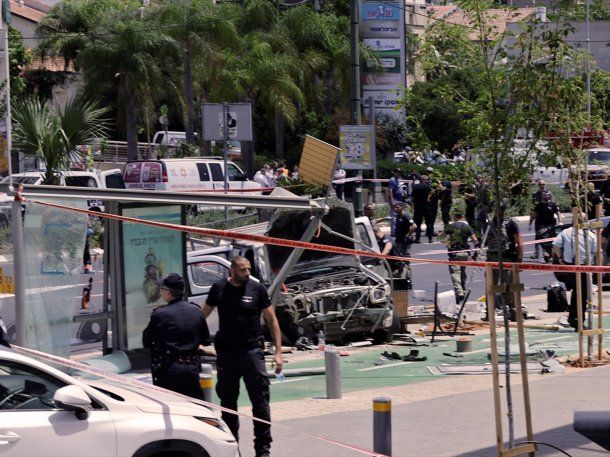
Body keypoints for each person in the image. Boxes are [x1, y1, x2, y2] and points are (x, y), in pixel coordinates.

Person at [203, 257, 283, 457]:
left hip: (252, 352)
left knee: (261, 404)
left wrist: (279, 353)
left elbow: (272, 320)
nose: (247, 272)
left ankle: (263, 451)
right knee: (228, 404)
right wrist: (194, 337)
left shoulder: (257, 289)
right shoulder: (219, 288)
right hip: (227, 354)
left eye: (248, 269)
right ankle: (232, 449)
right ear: (231, 270)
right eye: (242, 269)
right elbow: (203, 314)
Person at [142, 273, 210, 399]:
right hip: (192, 369)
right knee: (196, 408)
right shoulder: (196, 311)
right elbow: (205, 340)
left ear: (168, 293)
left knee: (173, 409)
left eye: (162, 289)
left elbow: (146, 340)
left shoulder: (160, 314)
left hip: (169, 371)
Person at [552, 221, 597, 329]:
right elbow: (597, 253)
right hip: (584, 266)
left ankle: (574, 318)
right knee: (582, 294)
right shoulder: (590, 235)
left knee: (577, 292)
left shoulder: (565, 232)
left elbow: (556, 245)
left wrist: (560, 259)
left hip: (570, 265)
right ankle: (576, 320)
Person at [484, 212, 523, 320]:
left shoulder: (488, 224)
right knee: (511, 287)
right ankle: (514, 313)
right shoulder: (510, 223)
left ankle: (489, 314)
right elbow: (519, 242)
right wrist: (519, 259)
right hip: (508, 259)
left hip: (492, 259)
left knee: (491, 287)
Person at [440, 212, 478, 303]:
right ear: (462, 216)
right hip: (465, 254)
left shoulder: (450, 226)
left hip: (455, 254)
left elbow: (441, 237)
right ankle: (463, 291)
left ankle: (460, 293)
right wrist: (476, 253)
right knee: (463, 273)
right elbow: (475, 240)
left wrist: (448, 244)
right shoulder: (467, 227)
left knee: (455, 273)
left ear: (455, 216)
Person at [529, 191, 562, 262]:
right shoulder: (539, 205)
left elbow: (558, 213)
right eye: (545, 195)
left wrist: (560, 221)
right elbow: (533, 215)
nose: (547, 196)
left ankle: (552, 255)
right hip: (542, 227)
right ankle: (547, 256)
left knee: (552, 241)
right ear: (542, 196)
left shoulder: (552, 204)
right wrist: (530, 224)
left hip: (551, 226)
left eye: (548, 195)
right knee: (543, 242)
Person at [410, 174, 431, 243]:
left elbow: (412, 197)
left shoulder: (415, 187)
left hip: (418, 206)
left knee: (418, 223)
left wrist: (411, 203)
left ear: (420, 180)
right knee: (428, 222)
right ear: (425, 180)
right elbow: (429, 197)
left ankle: (418, 238)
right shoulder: (428, 187)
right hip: (426, 206)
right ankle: (430, 238)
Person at [387, 168, 405, 236]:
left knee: (399, 216)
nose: (399, 174)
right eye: (398, 172)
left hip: (399, 200)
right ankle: (394, 232)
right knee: (394, 217)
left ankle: (398, 230)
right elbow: (390, 191)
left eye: (400, 173)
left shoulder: (397, 180)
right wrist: (392, 201)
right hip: (395, 200)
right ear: (394, 173)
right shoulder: (392, 180)